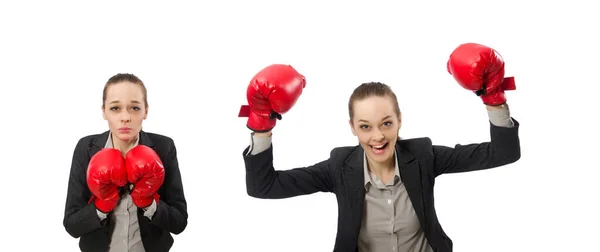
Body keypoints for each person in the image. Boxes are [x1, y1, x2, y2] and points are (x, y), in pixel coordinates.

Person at [239, 43, 521, 252]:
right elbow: (263, 187)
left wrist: (493, 98)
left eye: (386, 123)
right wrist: (262, 127)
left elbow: (503, 153)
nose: (378, 136)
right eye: (365, 126)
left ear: (399, 121)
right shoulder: (339, 167)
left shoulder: (423, 156)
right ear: (352, 127)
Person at [63, 73, 188, 252]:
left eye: (135, 108)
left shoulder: (164, 147)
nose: (125, 117)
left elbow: (179, 222)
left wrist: (148, 201)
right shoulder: (86, 148)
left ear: (146, 111)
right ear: (104, 112)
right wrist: (102, 205)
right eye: (115, 108)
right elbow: (72, 225)